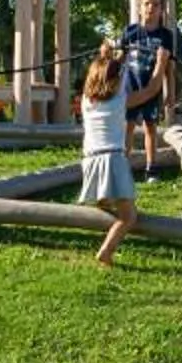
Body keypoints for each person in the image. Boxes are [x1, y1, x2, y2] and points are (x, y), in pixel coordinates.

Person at [77, 36, 136, 264]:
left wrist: (108, 54)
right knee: (129, 217)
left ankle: (105, 200)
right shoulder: (118, 99)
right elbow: (146, 87)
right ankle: (106, 252)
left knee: (109, 204)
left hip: (90, 160)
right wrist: (160, 65)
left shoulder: (86, 100)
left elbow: (105, 71)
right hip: (112, 159)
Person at [118, 0, 180, 171]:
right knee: (127, 125)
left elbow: (170, 67)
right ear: (139, 8)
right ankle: (122, 164)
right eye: (146, 4)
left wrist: (170, 92)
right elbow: (119, 60)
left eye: (155, 5)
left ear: (162, 10)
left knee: (150, 126)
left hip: (152, 85)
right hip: (130, 85)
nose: (150, 8)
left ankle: (151, 166)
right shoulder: (130, 32)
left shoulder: (166, 36)